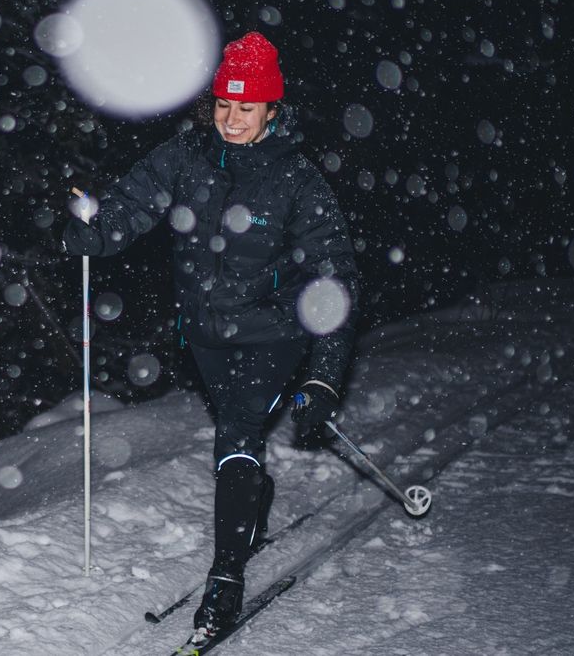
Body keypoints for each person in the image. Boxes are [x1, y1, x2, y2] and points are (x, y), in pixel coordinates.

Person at [61, 31, 359, 641]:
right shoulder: (185, 156)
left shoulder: (298, 180)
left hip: (275, 332)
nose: (230, 119)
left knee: (237, 432)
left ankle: (225, 580)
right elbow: (131, 203)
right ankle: (252, 497)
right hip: (204, 334)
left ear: (272, 111)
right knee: (237, 439)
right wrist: (96, 231)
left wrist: (325, 374)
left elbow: (337, 282)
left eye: (245, 108)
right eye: (222, 104)